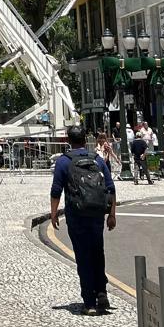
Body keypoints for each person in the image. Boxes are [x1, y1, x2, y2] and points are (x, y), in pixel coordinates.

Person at [50, 125, 116, 315]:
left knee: (83, 256)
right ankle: (102, 292)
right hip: (96, 214)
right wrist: (112, 215)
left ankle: (89, 302)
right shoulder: (96, 159)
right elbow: (110, 188)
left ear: (68, 140)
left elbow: (56, 190)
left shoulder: (63, 162)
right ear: (85, 139)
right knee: (97, 252)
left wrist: (54, 213)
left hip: (76, 215)